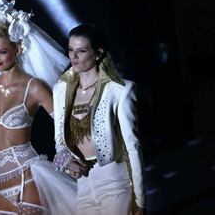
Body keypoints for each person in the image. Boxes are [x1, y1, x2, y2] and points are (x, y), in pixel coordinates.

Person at [0, 0, 76, 214]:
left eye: (2, 51)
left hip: (28, 176)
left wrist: (63, 150)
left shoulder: (34, 88)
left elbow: (64, 123)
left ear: (18, 49)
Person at [52, 24, 146, 215]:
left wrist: (141, 200)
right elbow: (60, 140)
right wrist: (67, 160)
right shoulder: (61, 89)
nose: (74, 56)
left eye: (81, 50)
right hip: (83, 182)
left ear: (98, 53)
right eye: (70, 49)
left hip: (115, 180)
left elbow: (132, 146)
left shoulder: (120, 90)